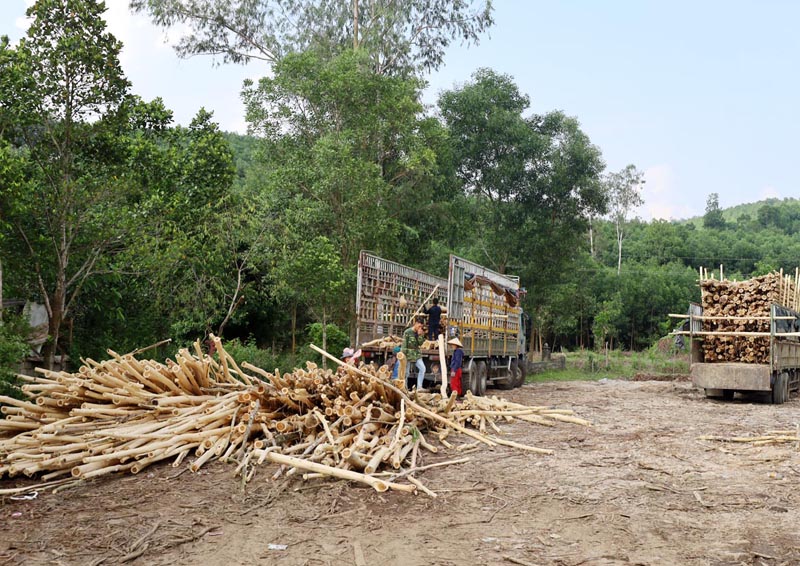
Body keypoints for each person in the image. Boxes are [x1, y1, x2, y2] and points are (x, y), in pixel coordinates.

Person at [402, 318, 426, 390]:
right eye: (419, 326)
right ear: (415, 324)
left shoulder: (420, 332)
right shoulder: (408, 332)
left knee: (423, 368)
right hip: (408, 354)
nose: (420, 328)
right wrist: (403, 354)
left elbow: (420, 343)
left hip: (417, 354)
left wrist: (420, 335)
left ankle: (419, 387)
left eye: (421, 326)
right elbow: (404, 344)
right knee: (406, 372)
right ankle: (404, 387)